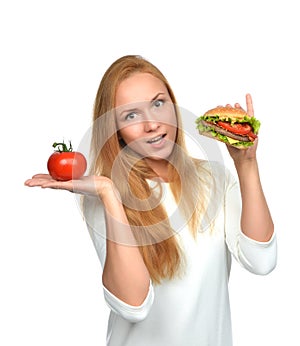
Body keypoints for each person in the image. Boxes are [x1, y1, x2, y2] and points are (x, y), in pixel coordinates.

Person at [25, 55, 277, 346]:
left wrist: (247, 165)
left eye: (158, 104)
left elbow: (262, 261)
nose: (152, 125)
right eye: (131, 116)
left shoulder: (214, 178)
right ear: (115, 131)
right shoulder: (107, 197)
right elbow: (133, 306)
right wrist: (108, 194)